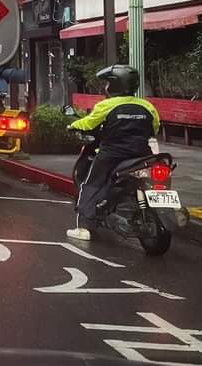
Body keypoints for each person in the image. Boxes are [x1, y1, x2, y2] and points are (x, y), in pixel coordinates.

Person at [65, 64, 160, 241]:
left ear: (115, 85)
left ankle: (84, 228)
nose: (106, 86)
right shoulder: (147, 106)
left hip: (112, 154)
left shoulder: (106, 105)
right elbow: (155, 128)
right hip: (142, 154)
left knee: (91, 185)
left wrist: (72, 125)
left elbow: (88, 124)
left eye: (108, 83)